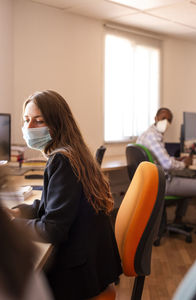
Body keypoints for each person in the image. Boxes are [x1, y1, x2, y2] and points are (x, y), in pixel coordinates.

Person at [8, 90, 122, 300]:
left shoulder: (62, 161)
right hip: (94, 267)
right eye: (26, 120)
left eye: (38, 121)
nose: (29, 128)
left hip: (78, 276)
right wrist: (16, 212)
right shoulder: (73, 153)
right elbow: (49, 205)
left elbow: (53, 229)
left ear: (57, 123)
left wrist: (11, 226)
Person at [136, 107, 196, 223]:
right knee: (193, 178)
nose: (166, 122)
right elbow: (167, 164)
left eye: (169, 120)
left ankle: (178, 219)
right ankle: (178, 219)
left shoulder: (147, 134)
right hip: (162, 183)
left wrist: (177, 159)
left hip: (152, 181)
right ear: (156, 118)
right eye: (163, 118)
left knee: (189, 176)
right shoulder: (153, 136)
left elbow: (160, 159)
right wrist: (184, 164)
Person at [0, 166, 53, 300]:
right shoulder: (18, 253)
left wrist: (14, 222)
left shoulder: (61, 161)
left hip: (78, 267)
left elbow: (52, 229)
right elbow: (48, 202)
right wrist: (19, 212)